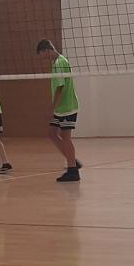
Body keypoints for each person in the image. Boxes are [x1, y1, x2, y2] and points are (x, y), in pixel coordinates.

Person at [36, 39, 81, 182]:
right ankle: (72, 160)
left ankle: (73, 171)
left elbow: (60, 88)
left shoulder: (60, 63)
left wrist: (51, 108)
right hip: (60, 108)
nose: (42, 58)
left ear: (46, 50)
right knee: (52, 133)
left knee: (65, 137)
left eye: (42, 55)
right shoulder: (56, 62)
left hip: (66, 107)